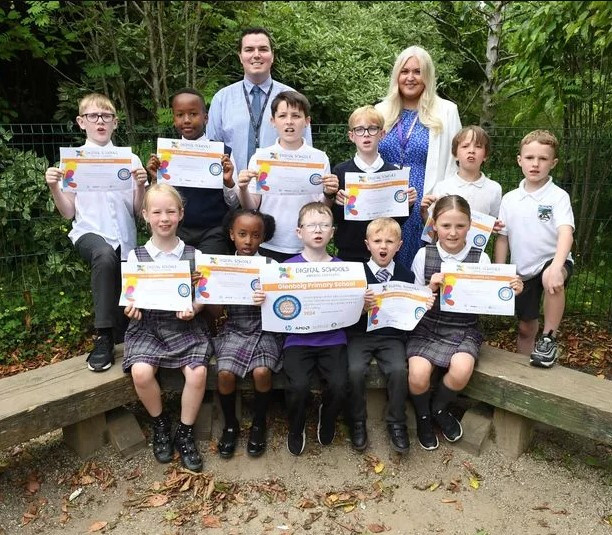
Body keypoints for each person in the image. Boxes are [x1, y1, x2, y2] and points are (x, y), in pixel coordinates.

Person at [407, 195, 522, 450]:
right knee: (417, 375)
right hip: (427, 326)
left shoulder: (480, 259)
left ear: (470, 226)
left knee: (460, 370)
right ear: (434, 225)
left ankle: (437, 409)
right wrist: (429, 288)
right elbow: (413, 303)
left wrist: (511, 288)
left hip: (464, 328)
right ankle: (423, 418)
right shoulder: (423, 255)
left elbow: (491, 298)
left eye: (460, 226)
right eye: (446, 225)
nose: (452, 232)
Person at [44, 93, 148, 372]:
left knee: (125, 299)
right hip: (89, 234)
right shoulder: (73, 161)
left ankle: (127, 341)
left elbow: (139, 212)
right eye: (93, 116)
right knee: (103, 255)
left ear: (115, 122)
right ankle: (103, 336)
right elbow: (68, 213)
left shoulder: (130, 159)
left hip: (124, 240)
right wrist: (54, 186)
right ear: (81, 122)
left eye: (106, 116)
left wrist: (141, 186)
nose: (100, 121)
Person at [122, 183, 211, 472]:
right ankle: (160, 423)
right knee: (141, 371)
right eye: (157, 212)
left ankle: (185, 433)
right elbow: (130, 298)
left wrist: (194, 308)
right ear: (145, 215)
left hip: (185, 326)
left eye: (170, 211)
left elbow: (201, 297)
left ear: (181, 214)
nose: (164, 218)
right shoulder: (136, 256)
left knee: (198, 373)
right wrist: (131, 309)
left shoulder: (194, 255)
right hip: (148, 327)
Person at [376, 45, 462, 270]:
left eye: (417, 72)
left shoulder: (447, 111)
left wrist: (442, 205)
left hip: (423, 205)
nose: (410, 77)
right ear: (397, 75)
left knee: (421, 268)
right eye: (405, 72)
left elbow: (455, 164)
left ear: (428, 76)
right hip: (385, 203)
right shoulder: (380, 111)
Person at [495, 130, 574, 368]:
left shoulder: (558, 197)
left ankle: (549, 338)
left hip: (552, 261)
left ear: (553, 163)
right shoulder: (509, 199)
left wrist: (558, 266)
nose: (536, 164)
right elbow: (502, 238)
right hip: (523, 269)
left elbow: (566, 232)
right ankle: (523, 371)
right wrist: (502, 271)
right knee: (525, 327)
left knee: (552, 277)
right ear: (520, 160)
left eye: (543, 159)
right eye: (530, 158)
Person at [237, 90, 339, 263]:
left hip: (306, 245)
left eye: (296, 116)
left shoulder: (319, 158)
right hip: (268, 242)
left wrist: (330, 193)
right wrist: (243, 188)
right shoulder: (261, 157)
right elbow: (251, 205)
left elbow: (322, 207)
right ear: (273, 121)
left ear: (307, 121)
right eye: (282, 115)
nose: (289, 122)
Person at [214, 208, 283, 459]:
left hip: (265, 328)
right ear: (231, 235)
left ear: (263, 237)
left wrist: (268, 300)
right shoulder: (220, 265)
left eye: (255, 235)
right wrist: (207, 289)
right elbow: (214, 313)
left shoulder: (271, 266)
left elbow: (282, 309)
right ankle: (230, 424)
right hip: (234, 327)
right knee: (224, 373)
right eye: (242, 234)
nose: (248, 241)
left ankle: (258, 422)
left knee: (262, 371)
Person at [283, 202, 349, 456]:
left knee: (339, 384)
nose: (318, 230)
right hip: (297, 340)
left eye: (324, 225)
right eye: (311, 225)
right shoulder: (286, 268)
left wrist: (361, 301)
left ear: (332, 232)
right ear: (300, 232)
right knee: (298, 386)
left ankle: (327, 415)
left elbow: (351, 308)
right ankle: (296, 425)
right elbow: (278, 307)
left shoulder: (343, 268)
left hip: (333, 338)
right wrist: (262, 297)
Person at [346, 218, 415, 453]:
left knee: (399, 370)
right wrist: (360, 307)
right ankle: (356, 420)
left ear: (400, 245)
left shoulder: (406, 276)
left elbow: (409, 314)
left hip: (391, 337)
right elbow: (344, 314)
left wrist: (421, 304)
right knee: (354, 370)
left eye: (389, 241)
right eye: (377, 241)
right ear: (367, 244)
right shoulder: (356, 274)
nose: (383, 246)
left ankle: (396, 422)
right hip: (360, 335)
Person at [207, 27, 312, 174]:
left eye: (263, 49)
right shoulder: (221, 99)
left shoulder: (292, 97)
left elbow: (306, 150)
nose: (256, 55)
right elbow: (212, 150)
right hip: (231, 188)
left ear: (272, 55)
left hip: (280, 190)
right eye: (249, 49)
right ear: (240, 56)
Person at [146, 88, 238, 254]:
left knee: (208, 276)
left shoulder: (224, 153)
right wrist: (155, 179)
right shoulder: (166, 155)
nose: (186, 120)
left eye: (193, 114)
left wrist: (228, 182)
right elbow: (158, 199)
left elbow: (234, 203)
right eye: (180, 115)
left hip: (214, 230)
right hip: (176, 229)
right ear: (174, 119)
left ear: (206, 117)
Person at [332, 105, 416, 262]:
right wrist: (337, 203)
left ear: (382, 134)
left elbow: (397, 222)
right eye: (360, 130)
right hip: (349, 254)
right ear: (351, 136)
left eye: (372, 129)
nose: (366, 135)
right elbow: (336, 220)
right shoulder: (340, 171)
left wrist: (408, 205)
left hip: (383, 257)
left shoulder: (394, 174)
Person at [421, 125, 502, 221]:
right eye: (465, 146)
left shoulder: (494, 189)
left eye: (478, 146)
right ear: (455, 154)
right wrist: (424, 214)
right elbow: (434, 228)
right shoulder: (442, 187)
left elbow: (494, 225)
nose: (471, 151)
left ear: (485, 155)